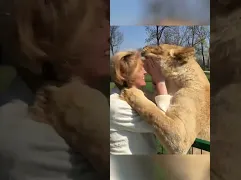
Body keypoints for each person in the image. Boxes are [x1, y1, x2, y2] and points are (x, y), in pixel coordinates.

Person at [0, 0, 109, 179]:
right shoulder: (29, 141)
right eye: (96, 24)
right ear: (44, 38)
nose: (109, 32)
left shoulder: (92, 93)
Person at [110, 50, 172, 155]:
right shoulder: (116, 105)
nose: (145, 72)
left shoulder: (138, 95)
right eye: (140, 68)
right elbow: (162, 125)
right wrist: (160, 83)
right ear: (124, 74)